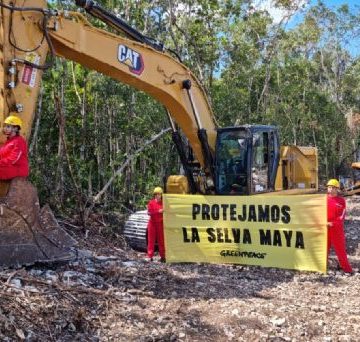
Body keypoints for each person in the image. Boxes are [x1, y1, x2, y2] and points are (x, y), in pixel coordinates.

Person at [327, 178, 353, 274]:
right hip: (325, 228)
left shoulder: (341, 201)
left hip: (336, 229)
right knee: (323, 248)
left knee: (340, 249)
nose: (331, 189)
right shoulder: (323, 199)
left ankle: (347, 269)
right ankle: (322, 267)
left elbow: (341, 216)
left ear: (337, 189)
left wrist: (333, 224)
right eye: (329, 187)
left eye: (334, 188)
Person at [0, 114, 29, 180]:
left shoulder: (19, 141)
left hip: (18, 169)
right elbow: (3, 153)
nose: (5, 128)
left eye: (8, 126)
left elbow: (13, 159)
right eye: (4, 126)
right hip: (9, 167)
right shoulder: (9, 140)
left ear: (15, 128)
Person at [146, 186, 165, 262]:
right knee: (151, 241)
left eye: (159, 194)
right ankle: (149, 256)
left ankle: (163, 257)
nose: (158, 196)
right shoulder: (151, 202)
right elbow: (149, 212)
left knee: (161, 240)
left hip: (160, 224)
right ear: (154, 195)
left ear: (161, 195)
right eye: (156, 194)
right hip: (152, 224)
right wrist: (158, 211)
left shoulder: (164, 203)